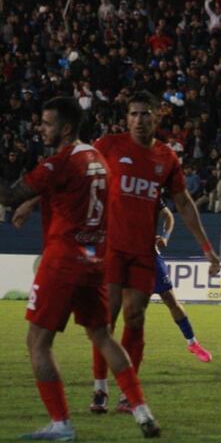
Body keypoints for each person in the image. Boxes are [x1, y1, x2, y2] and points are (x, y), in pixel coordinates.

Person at [3, 97, 160, 440]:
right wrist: (37, 201)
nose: (41, 129)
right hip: (94, 260)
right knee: (102, 335)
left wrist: (20, 196)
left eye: (46, 123)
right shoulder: (97, 159)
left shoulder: (58, 163)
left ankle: (61, 424)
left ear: (66, 127)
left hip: (62, 260)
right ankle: (140, 409)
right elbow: (68, 193)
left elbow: (9, 194)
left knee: (37, 343)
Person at [90, 91, 221, 414]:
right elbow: (77, 173)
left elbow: (183, 205)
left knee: (136, 317)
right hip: (111, 248)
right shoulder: (107, 146)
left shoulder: (166, 158)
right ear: (126, 118)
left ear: (156, 117)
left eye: (145, 114)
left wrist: (207, 249)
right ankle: (99, 388)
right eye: (133, 114)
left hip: (144, 254)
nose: (138, 120)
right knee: (106, 319)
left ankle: (126, 392)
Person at [154, 200, 213, 363]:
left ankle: (192, 343)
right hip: (124, 254)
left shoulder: (151, 190)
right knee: (127, 303)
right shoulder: (118, 189)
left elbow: (168, 216)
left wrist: (165, 236)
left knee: (169, 298)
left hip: (150, 255)